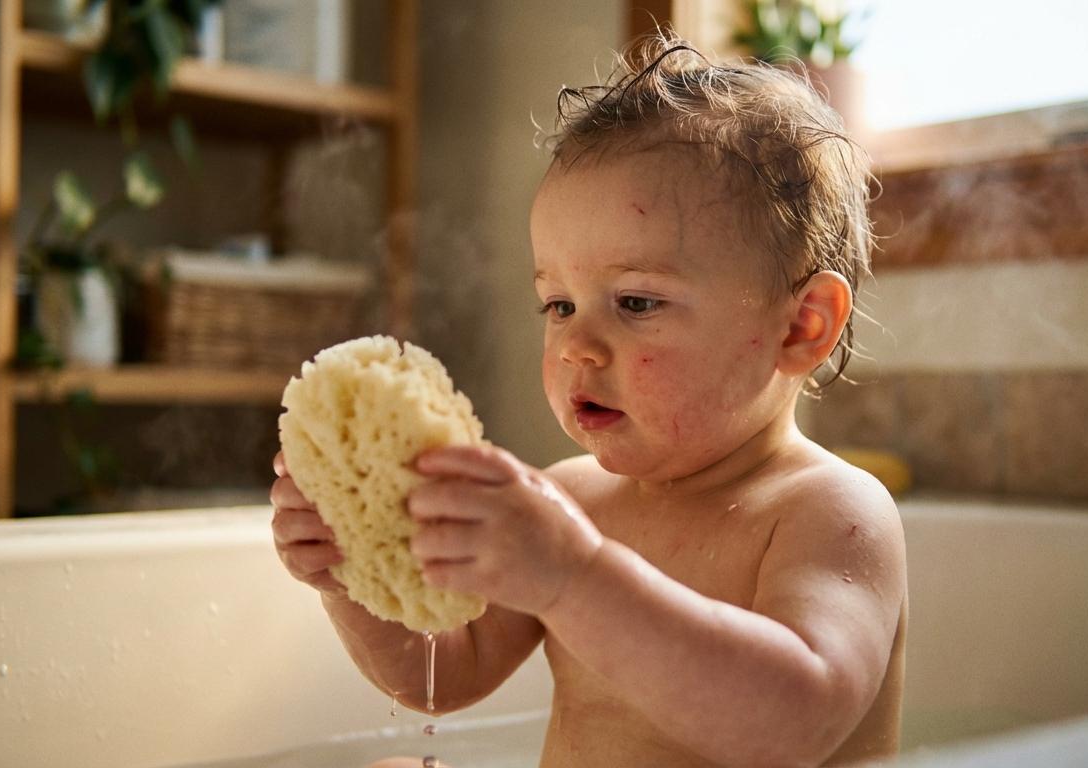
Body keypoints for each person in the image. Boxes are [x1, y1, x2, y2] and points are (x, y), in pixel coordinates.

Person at [271, 33, 907, 768]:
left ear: (802, 326)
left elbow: (797, 722)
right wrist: (348, 575)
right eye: (559, 305)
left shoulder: (827, 512)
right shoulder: (571, 499)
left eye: (636, 301)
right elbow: (438, 676)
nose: (575, 346)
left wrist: (574, 576)